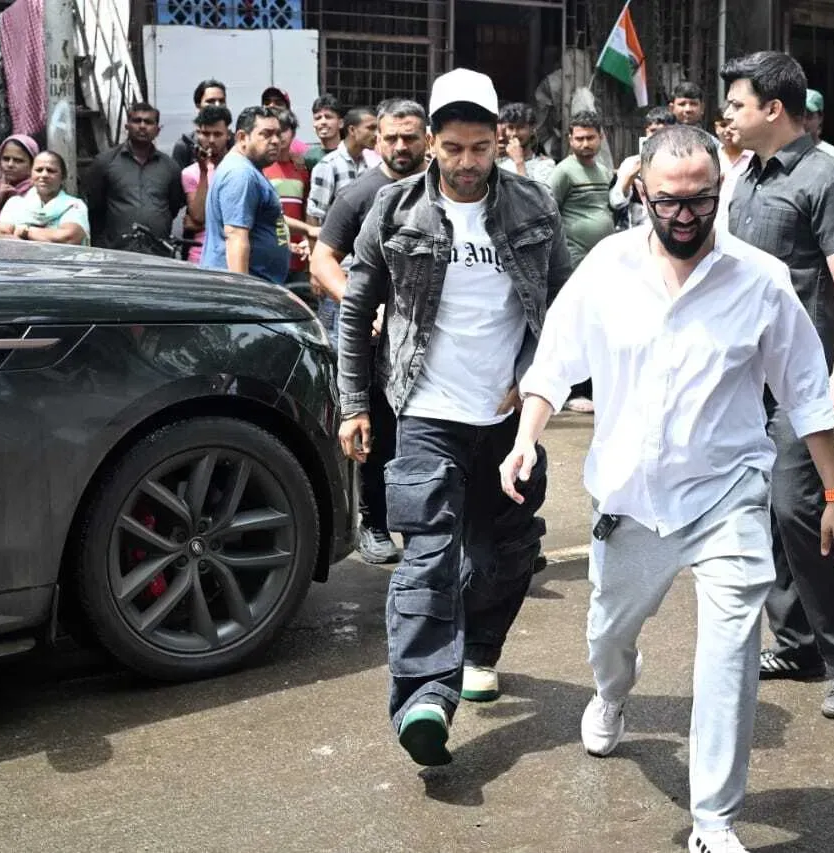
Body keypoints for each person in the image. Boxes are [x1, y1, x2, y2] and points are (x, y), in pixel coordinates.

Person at [499, 122, 834, 853]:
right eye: (668, 202)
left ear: (719, 191)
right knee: (609, 633)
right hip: (629, 502)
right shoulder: (606, 267)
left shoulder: (759, 278)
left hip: (727, 496)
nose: (684, 215)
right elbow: (555, 360)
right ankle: (612, 695)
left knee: (728, 654)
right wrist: (526, 436)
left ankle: (713, 822)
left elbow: (807, 392)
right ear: (640, 193)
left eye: (699, 200)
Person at [335, 68, 571, 766]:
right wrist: (354, 403)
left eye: (481, 148)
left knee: (508, 552)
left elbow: (567, 303)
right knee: (428, 558)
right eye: (454, 148)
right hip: (426, 410)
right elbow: (354, 310)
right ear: (431, 142)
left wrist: (534, 373)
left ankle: (477, 650)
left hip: (506, 422)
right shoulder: (393, 209)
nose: (468, 163)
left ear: (500, 141)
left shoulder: (532, 206)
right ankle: (423, 698)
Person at [722, 51, 834, 718]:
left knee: (799, 505)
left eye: (736, 103)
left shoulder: (826, 177)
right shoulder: (748, 176)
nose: (727, 114)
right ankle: (799, 642)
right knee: (762, 509)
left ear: (773, 109)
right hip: (747, 375)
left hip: (803, 375)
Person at [309, 97, 429, 567]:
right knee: (372, 432)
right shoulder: (360, 195)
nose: (400, 146)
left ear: (428, 141)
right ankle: (373, 524)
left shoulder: (440, 193)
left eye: (410, 138)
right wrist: (364, 304)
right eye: (391, 138)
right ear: (376, 140)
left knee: (419, 435)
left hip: (424, 341)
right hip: (371, 339)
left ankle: (424, 526)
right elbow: (323, 260)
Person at [201, 105, 290, 284]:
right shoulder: (240, 174)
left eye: (277, 134)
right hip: (237, 292)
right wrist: (244, 296)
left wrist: (307, 230)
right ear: (242, 137)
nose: (275, 141)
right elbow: (235, 237)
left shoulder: (250, 170)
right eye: (266, 134)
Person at [84, 102, 185, 252]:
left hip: (158, 254)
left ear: (158, 130)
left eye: (149, 122)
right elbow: (95, 207)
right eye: (137, 121)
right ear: (127, 126)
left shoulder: (170, 167)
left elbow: (173, 207)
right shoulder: (104, 162)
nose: (142, 126)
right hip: (117, 252)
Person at [550, 111, 615, 270]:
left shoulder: (604, 171)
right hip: (574, 255)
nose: (585, 144)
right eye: (580, 139)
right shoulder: (563, 171)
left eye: (590, 138)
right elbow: (549, 212)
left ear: (601, 137)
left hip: (603, 254)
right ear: (570, 140)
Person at [263, 110, 315, 285]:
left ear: (293, 133)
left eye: (284, 130)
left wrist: (307, 240)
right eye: (274, 131)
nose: (279, 136)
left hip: (299, 253)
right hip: (272, 250)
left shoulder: (301, 169)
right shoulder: (262, 168)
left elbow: (306, 210)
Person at [0, 151, 89, 245]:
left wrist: (26, 232)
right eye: (39, 170)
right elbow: (0, 235)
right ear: (31, 175)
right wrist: (32, 248)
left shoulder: (73, 206)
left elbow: (68, 238)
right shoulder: (15, 204)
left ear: (63, 177)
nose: (44, 175)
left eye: (51, 170)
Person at [307, 107, 382, 225]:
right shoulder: (329, 165)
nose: (376, 134)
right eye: (371, 128)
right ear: (352, 130)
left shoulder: (370, 165)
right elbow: (314, 214)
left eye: (378, 129)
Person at [181, 104, 232, 265]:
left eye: (217, 134)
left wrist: (199, 224)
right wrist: (204, 173)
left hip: (232, 254)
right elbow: (198, 216)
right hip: (199, 256)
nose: (211, 140)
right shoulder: (190, 173)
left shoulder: (239, 169)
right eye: (205, 134)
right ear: (198, 134)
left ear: (228, 135)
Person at [610, 107, 675, 229]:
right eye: (653, 131)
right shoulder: (631, 163)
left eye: (663, 132)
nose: (657, 136)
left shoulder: (679, 163)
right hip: (638, 233)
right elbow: (616, 202)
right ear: (646, 132)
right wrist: (630, 177)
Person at [171, 78, 228, 169]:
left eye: (221, 101)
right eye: (211, 101)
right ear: (198, 105)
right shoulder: (184, 146)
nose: (217, 105)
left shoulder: (235, 142)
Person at [495, 102, 556, 183]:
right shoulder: (500, 166)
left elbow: (536, 195)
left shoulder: (545, 165)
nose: (514, 133)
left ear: (532, 129)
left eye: (520, 127)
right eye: (510, 127)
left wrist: (519, 163)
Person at [715, 116, 754, 233]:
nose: (728, 130)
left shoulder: (755, 160)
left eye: (733, 125)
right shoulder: (709, 158)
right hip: (713, 233)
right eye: (723, 125)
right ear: (716, 127)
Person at [259, 87, 311, 160]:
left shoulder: (300, 150)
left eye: (278, 103)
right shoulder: (255, 142)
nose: (271, 105)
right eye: (267, 103)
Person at [305, 94, 345, 172]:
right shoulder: (308, 158)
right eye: (318, 118)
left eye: (328, 117)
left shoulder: (350, 153)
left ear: (341, 123)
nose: (323, 122)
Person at [804, 89, 834, 164]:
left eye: (809, 116)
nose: (803, 121)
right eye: (799, 116)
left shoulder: (832, 154)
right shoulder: (785, 152)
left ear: (820, 118)